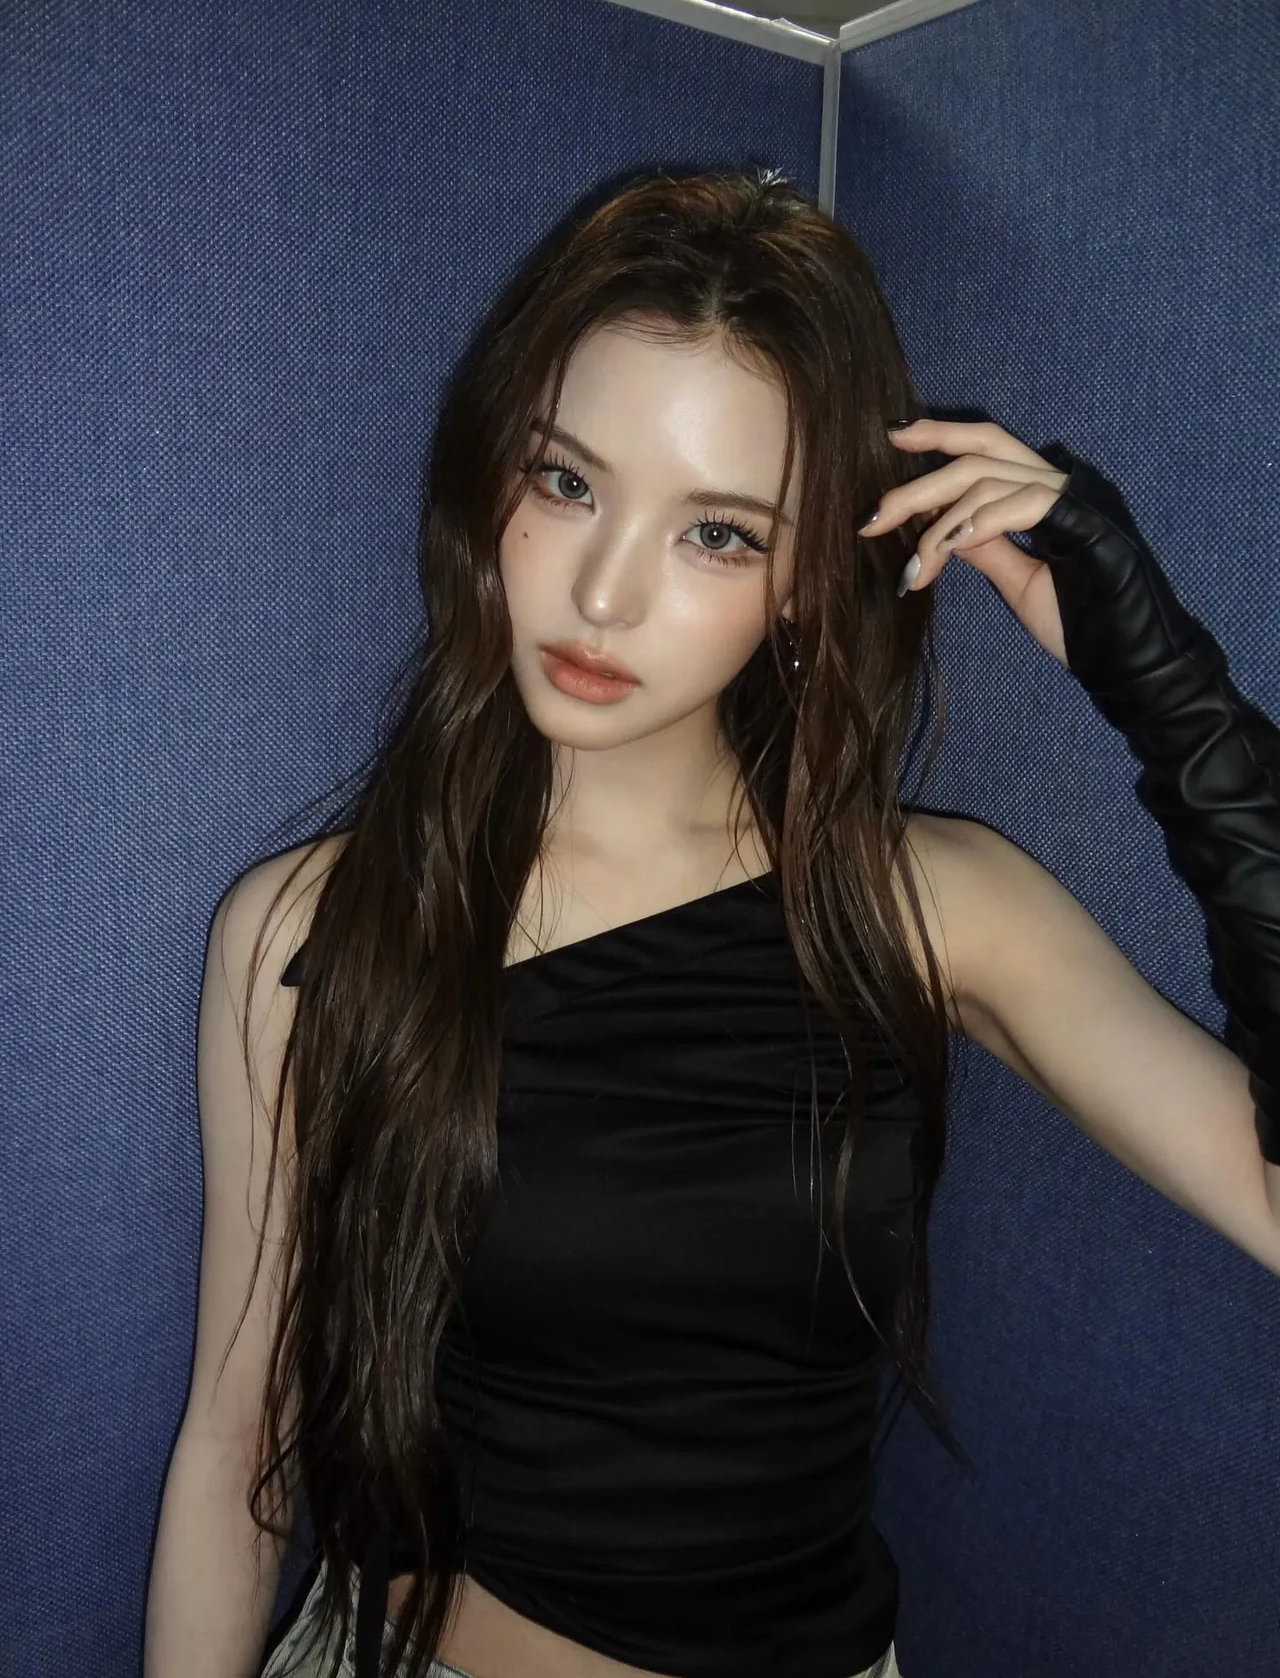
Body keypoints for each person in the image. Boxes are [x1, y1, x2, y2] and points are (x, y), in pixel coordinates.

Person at [143, 168, 1280, 1678]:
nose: (605, 595)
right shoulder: (309, 930)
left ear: (806, 584)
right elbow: (239, 1447)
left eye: (721, 534)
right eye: (567, 483)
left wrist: (1166, 688)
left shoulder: (927, 906)